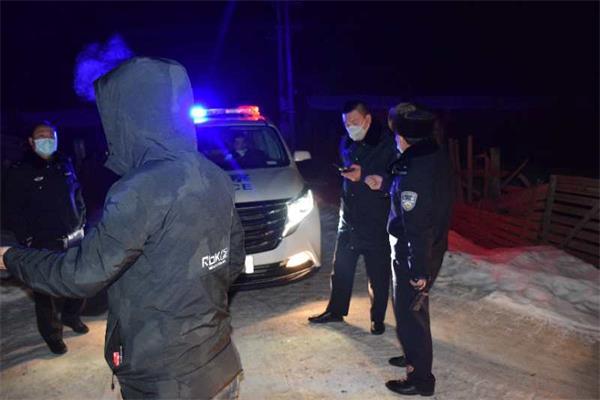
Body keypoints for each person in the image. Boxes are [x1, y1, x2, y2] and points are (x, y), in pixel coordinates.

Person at [0, 57, 245, 400]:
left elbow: (81, 275)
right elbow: (232, 263)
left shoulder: (139, 189)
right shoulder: (213, 174)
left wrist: (12, 258)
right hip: (220, 363)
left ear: (130, 116)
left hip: (165, 382)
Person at [309, 100, 397, 335]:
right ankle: (335, 310)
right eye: (346, 124)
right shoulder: (346, 142)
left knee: (378, 274)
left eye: (354, 122)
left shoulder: (387, 144)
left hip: (376, 219)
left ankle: (377, 318)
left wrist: (369, 177)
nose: (350, 128)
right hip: (349, 217)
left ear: (367, 120)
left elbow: (397, 177)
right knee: (341, 268)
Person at [384, 103, 452, 396]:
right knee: (413, 311)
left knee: (411, 314)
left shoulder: (414, 172)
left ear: (403, 137)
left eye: (396, 134)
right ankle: (413, 354)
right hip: (428, 245)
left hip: (415, 250)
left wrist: (418, 268)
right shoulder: (432, 154)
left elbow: (418, 224)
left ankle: (420, 379)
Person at [4, 122, 88, 355]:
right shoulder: (20, 170)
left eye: (51, 136)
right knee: (44, 292)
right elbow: (12, 210)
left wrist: (82, 219)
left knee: (79, 281)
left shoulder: (65, 163)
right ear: (31, 142)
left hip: (73, 237)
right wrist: (27, 237)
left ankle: (71, 316)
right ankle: (52, 334)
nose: (47, 139)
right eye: (41, 136)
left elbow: (77, 194)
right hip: (42, 242)